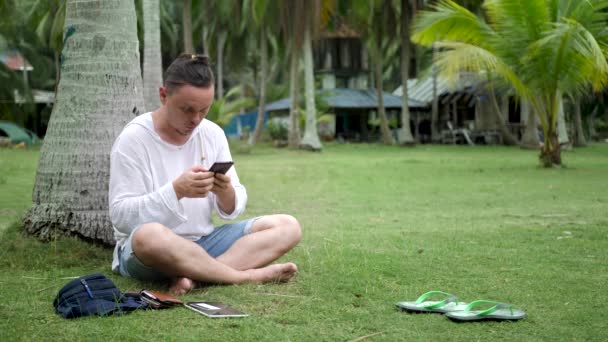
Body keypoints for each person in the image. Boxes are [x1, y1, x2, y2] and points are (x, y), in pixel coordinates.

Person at [109, 54, 301, 294]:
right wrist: (176, 191)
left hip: (204, 242)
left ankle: (195, 278)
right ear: (163, 95)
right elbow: (120, 216)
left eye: (204, 110)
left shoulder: (213, 134)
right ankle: (244, 277)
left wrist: (225, 191)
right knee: (149, 235)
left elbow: (233, 207)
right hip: (151, 251)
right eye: (187, 110)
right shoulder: (134, 139)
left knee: (288, 226)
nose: (196, 119)